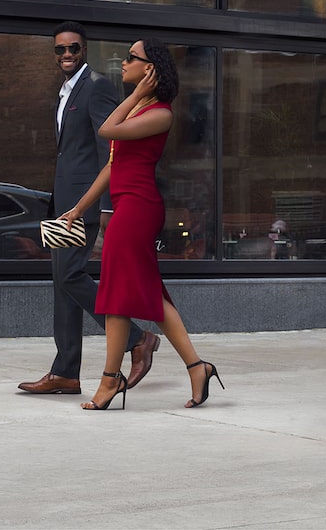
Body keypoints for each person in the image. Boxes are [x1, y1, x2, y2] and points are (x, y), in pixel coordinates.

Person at [62, 37, 222, 411]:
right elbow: (112, 166)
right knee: (149, 294)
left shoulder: (160, 113)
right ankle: (198, 367)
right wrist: (78, 207)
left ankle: (110, 379)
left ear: (150, 70)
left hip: (139, 208)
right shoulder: (139, 110)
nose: (123, 62)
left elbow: (106, 130)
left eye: (131, 58)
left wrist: (134, 97)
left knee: (117, 292)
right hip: (127, 206)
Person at [18, 22, 160, 396]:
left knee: (70, 276)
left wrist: (107, 206)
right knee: (62, 285)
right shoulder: (64, 91)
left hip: (85, 201)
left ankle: (137, 338)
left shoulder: (96, 86)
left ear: (85, 50)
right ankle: (65, 372)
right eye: (60, 50)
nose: (67, 55)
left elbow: (112, 149)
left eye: (74, 49)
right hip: (62, 201)